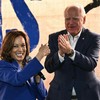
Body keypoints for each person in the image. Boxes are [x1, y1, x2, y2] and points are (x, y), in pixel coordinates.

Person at [45, 4, 100, 100]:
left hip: (88, 94)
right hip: (59, 94)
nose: (70, 22)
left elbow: (91, 63)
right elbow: (49, 67)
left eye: (75, 19)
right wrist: (60, 54)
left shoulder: (93, 38)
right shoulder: (55, 37)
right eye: (67, 19)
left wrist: (71, 52)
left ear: (84, 19)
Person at [0, 29, 50, 100]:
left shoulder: (29, 66)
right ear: (8, 48)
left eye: (23, 45)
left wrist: (38, 82)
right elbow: (18, 79)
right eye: (15, 46)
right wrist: (40, 55)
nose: (20, 50)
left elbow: (43, 97)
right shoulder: (2, 66)